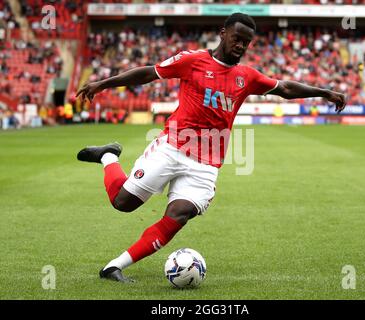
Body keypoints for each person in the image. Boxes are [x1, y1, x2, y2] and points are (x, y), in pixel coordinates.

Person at [76, 13, 346, 283]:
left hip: (206, 164)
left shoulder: (246, 76)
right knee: (123, 203)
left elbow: (284, 87)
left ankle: (114, 267)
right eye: (237, 39)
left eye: (246, 42)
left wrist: (323, 92)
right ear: (223, 34)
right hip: (172, 147)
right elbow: (149, 72)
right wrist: (103, 83)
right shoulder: (192, 61)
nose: (241, 45)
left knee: (179, 215)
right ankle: (109, 155)